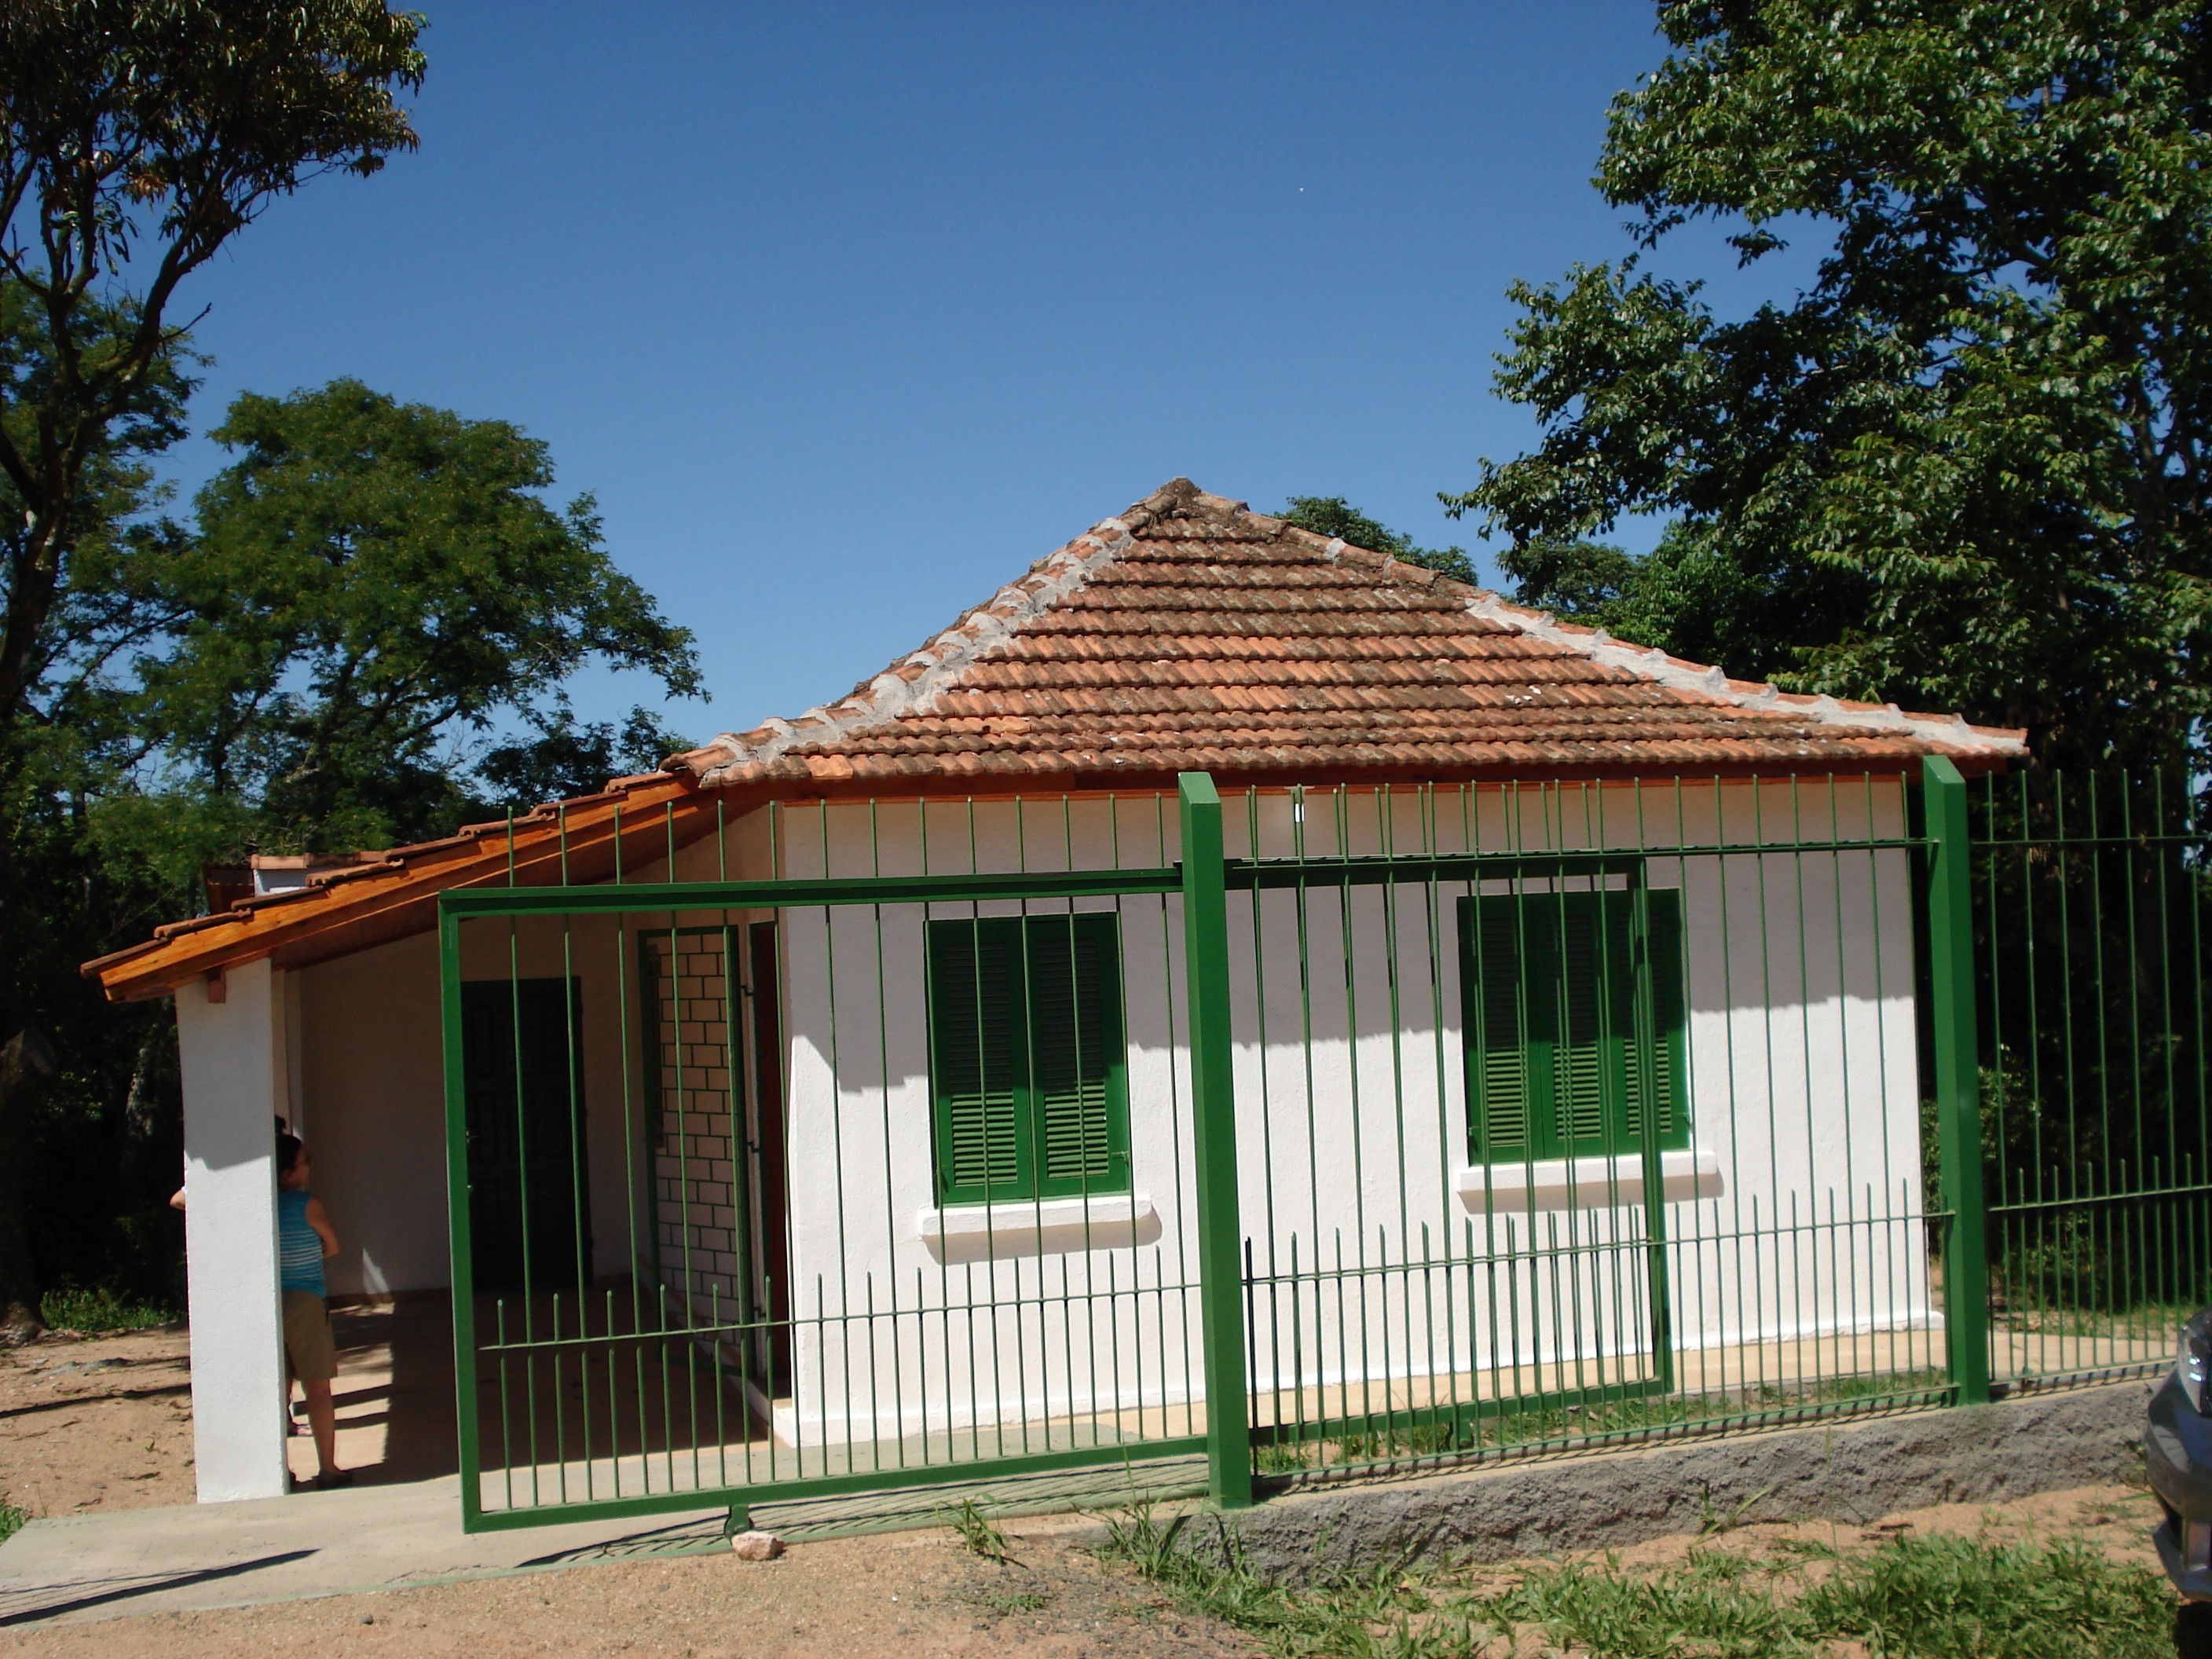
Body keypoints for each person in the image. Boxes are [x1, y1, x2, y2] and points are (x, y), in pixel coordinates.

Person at [276, 1133, 350, 1490]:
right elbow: (333, 1246)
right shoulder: (308, 1204)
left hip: (271, 1301)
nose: (310, 1164)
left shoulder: (255, 1205)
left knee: (279, 1389)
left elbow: (180, 1199)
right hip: (306, 1299)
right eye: (305, 1160)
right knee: (318, 1389)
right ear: (288, 1173)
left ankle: (279, 1470)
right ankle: (328, 1469)